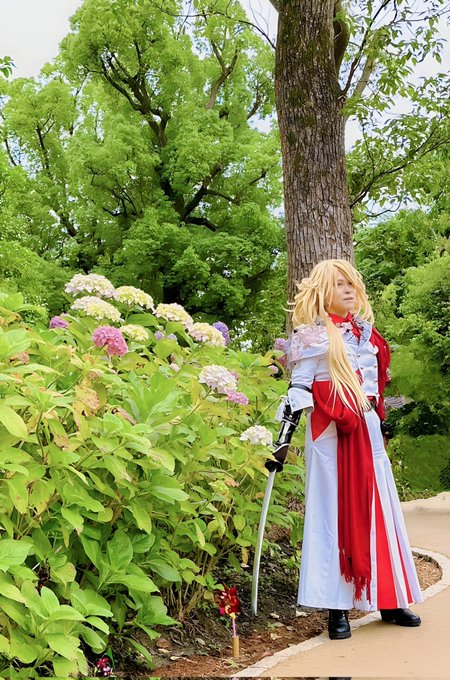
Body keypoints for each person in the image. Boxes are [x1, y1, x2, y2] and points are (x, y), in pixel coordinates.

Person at [270, 259, 422, 640]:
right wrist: (283, 438)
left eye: (352, 283)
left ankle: (388, 598)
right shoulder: (312, 337)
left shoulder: (367, 335)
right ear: (324, 292)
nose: (349, 289)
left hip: (367, 430)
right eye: (340, 284)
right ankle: (336, 608)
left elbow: (375, 389)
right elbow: (299, 387)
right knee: (332, 514)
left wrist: (380, 421)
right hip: (331, 435)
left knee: (380, 509)